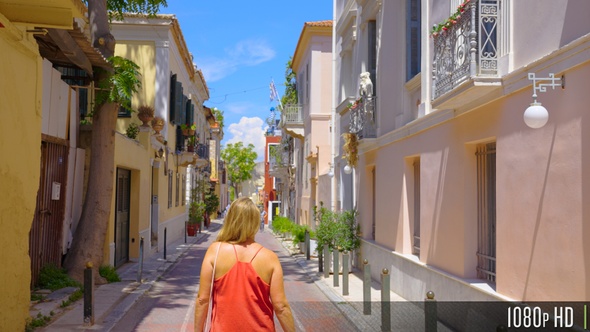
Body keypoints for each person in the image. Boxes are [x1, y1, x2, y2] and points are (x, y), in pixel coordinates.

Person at [194, 197, 295, 332]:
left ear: (230, 219)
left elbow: (202, 300)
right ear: (254, 222)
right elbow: (281, 306)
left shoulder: (215, 251)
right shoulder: (270, 258)